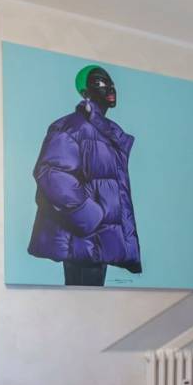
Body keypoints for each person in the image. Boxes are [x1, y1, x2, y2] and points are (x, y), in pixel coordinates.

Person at [27, 65, 142, 286]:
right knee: (82, 301)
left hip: (100, 241)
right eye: (100, 83)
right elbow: (52, 175)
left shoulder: (107, 132)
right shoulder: (70, 127)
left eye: (110, 83)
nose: (110, 88)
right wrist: (91, 216)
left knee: (92, 302)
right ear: (85, 92)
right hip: (82, 241)